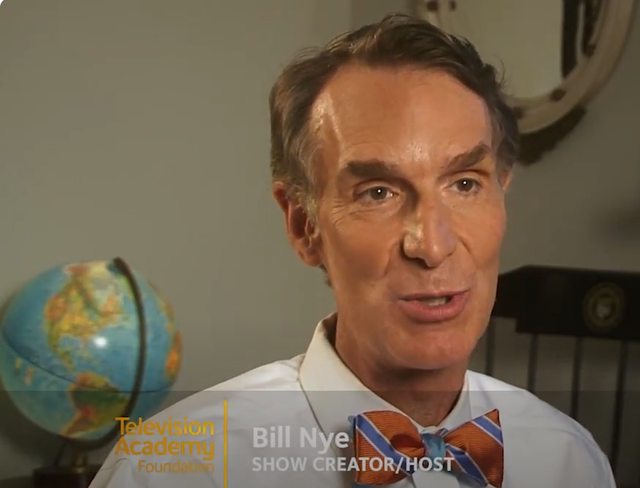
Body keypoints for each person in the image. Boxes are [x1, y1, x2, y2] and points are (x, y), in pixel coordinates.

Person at [90, 14, 616, 488]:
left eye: (464, 184)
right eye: (378, 193)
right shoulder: (171, 470)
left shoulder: (568, 460)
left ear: (502, 193)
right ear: (303, 225)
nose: (433, 246)